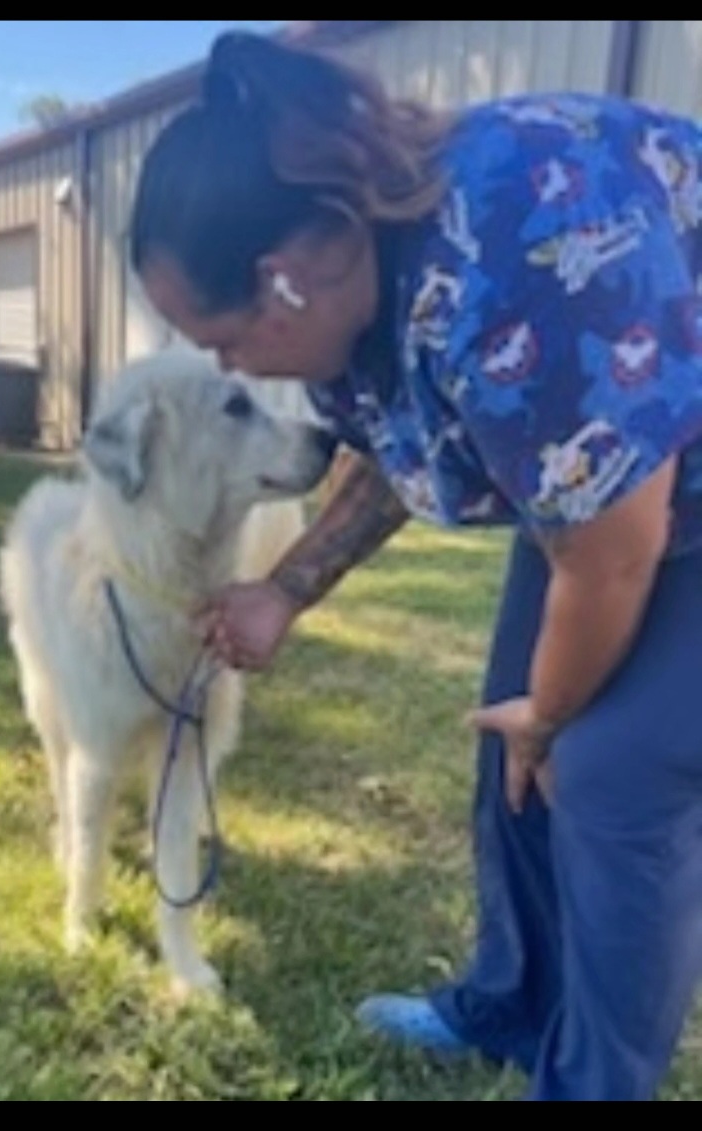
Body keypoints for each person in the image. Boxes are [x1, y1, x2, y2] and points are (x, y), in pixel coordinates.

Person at [127, 28, 702, 1103]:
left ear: (283, 278)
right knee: (513, 724)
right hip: (627, 479)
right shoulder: (369, 277)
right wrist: (286, 590)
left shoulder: (519, 246)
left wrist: (555, 714)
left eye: (220, 338)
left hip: (649, 492)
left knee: (611, 764)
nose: (226, 365)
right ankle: (514, 1005)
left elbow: (615, 561)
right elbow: (407, 447)